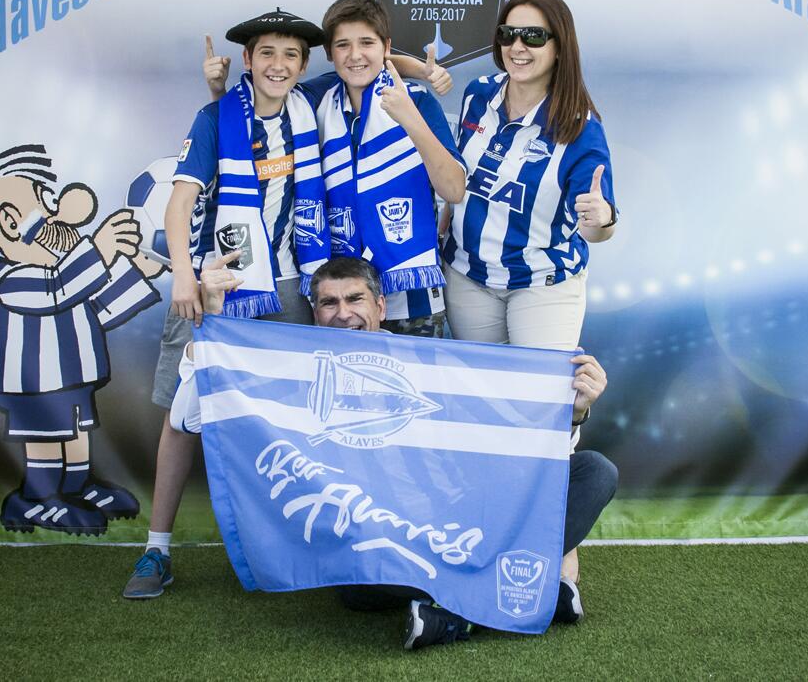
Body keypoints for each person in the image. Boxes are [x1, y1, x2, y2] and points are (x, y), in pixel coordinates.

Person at [191, 255, 618, 650]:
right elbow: (206, 409)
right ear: (313, 312)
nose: (343, 313)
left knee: (595, 471)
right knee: (356, 587)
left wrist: (575, 413)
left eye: (355, 298)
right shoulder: (293, 371)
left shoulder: (433, 360)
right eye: (328, 303)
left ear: (380, 305)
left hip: (463, 518)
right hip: (378, 539)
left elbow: (510, 443)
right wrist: (213, 316)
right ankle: (515, 593)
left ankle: (457, 615)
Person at [123, 8, 333, 598]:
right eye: (266, 53)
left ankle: (296, 544)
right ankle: (155, 550)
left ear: (304, 65)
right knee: (182, 416)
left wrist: (421, 70)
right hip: (220, 282)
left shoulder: (313, 106)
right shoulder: (215, 116)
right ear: (247, 60)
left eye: (291, 55)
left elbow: (362, 60)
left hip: (293, 281)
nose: (278, 65)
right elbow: (177, 206)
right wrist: (185, 279)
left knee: (295, 416)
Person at [441, 0, 618, 582]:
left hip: (543, 284)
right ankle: (480, 546)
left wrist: (600, 220)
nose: (518, 46)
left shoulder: (580, 127)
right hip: (469, 275)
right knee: (484, 419)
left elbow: (602, 221)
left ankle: (559, 571)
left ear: (559, 46)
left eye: (534, 36)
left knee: (544, 421)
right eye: (510, 34)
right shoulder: (478, 96)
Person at [206, 0, 466, 339]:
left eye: (367, 43)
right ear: (329, 54)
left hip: (411, 298)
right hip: (340, 302)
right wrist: (217, 89)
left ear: (386, 46)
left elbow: (454, 189)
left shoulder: (416, 101)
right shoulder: (316, 99)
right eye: (342, 45)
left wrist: (410, 115)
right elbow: (258, 103)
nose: (355, 55)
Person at [0, 144, 163, 535]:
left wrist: (137, 271)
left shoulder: (61, 273)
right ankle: (37, 499)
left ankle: (76, 486)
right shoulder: (14, 278)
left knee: (74, 429)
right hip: (29, 382)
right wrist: (100, 250)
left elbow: (98, 308)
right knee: (47, 433)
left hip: (69, 377)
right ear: (10, 221)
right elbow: (59, 289)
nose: (62, 214)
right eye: (47, 201)